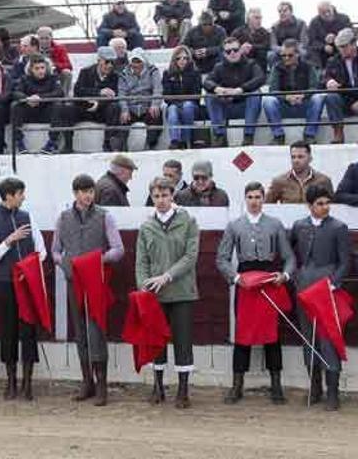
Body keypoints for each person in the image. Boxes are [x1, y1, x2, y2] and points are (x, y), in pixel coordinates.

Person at [216, 181, 294, 405]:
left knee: (272, 334)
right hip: (246, 283)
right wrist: (237, 278)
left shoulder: (275, 224)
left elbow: (289, 258)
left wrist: (285, 276)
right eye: (250, 197)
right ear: (245, 199)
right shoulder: (235, 225)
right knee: (243, 334)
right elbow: (221, 258)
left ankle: (276, 386)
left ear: (263, 199)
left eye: (258, 197)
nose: (254, 201)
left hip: (269, 281)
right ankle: (237, 386)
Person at [52, 175, 124, 406]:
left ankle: (102, 384)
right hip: (75, 282)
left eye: (90, 191)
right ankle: (87, 381)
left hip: (95, 281)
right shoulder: (63, 218)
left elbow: (118, 249)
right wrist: (65, 264)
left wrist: (98, 261)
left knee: (97, 330)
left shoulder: (105, 216)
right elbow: (55, 251)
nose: (87, 195)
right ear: (75, 193)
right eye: (83, 191)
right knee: (80, 331)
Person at [136, 176, 200, 409]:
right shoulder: (146, 225)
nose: (161, 200)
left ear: (172, 195)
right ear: (152, 197)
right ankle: (158, 385)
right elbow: (141, 261)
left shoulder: (188, 220)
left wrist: (167, 276)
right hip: (156, 294)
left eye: (165, 195)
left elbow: (190, 257)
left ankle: (183, 390)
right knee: (157, 341)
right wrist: (143, 285)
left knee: (183, 341)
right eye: (156, 196)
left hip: (182, 291)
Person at [0, 178, 47, 401]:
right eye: (21, 194)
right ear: (9, 195)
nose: (23, 197)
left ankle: (27, 383)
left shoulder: (27, 217)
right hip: (6, 282)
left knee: (28, 330)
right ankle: (11, 381)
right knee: (8, 331)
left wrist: (30, 267)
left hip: (26, 282)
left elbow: (42, 250)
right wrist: (10, 240)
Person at [290, 184, 351, 411]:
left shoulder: (339, 227)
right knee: (309, 339)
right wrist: (293, 273)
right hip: (304, 289)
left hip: (327, 290)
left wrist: (334, 283)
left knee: (328, 338)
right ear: (310, 205)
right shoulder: (299, 226)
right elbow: (288, 252)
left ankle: (332, 393)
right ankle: (315, 388)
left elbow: (345, 261)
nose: (325, 207)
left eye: (328, 203)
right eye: (320, 204)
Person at [203, 36, 266, 147]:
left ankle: (248, 136)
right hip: (225, 106)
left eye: (235, 50)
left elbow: (260, 78)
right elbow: (207, 82)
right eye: (228, 51)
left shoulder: (251, 64)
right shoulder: (218, 67)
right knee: (209, 96)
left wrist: (240, 90)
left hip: (246, 106)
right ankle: (219, 136)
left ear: (240, 50)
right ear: (224, 54)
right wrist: (219, 89)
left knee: (255, 94)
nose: (232, 53)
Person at [261, 39, 325, 144]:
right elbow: (272, 90)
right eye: (283, 55)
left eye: (290, 55)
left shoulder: (308, 66)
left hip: (303, 103)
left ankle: (309, 135)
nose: (286, 58)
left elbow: (314, 87)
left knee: (318, 98)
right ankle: (278, 136)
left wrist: (302, 95)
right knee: (268, 100)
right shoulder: (277, 67)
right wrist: (287, 97)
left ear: (297, 54)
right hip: (285, 105)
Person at [62, 46, 119, 154]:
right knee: (68, 109)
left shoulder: (115, 76)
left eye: (112, 62)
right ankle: (68, 144)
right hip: (85, 107)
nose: (110, 65)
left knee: (115, 107)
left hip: (102, 110)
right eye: (107, 62)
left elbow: (114, 95)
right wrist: (98, 93)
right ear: (99, 61)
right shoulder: (85, 72)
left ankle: (107, 142)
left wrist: (99, 103)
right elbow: (78, 91)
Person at [11, 54, 65, 155]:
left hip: (46, 112)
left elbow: (59, 92)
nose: (40, 71)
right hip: (30, 111)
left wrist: (40, 98)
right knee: (15, 106)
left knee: (58, 105)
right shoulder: (24, 79)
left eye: (42, 68)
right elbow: (16, 92)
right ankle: (19, 142)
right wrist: (27, 99)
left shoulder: (53, 78)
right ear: (31, 69)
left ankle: (52, 143)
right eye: (37, 68)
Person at [113, 48, 162, 151]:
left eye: (138, 61)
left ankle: (150, 145)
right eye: (133, 61)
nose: (135, 65)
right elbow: (121, 93)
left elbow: (157, 89)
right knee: (121, 117)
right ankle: (121, 147)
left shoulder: (153, 71)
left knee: (156, 115)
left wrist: (155, 104)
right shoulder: (123, 74)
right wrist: (125, 110)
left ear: (143, 61)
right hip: (131, 107)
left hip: (147, 105)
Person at [320, 28, 358, 144]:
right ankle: (338, 133)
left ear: (353, 43)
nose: (342, 50)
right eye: (339, 47)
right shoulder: (333, 61)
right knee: (331, 97)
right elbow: (324, 78)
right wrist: (329, 81)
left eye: (344, 46)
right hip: (344, 97)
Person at [266, 140, 333, 204]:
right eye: (293, 157)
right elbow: (266, 206)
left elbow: (333, 207)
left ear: (310, 158)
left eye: (300, 157)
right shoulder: (279, 181)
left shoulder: (323, 181)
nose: (296, 160)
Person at [163, 46, 202, 149]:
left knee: (187, 106)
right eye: (178, 58)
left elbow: (196, 95)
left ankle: (185, 140)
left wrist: (181, 101)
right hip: (174, 105)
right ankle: (175, 141)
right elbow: (167, 97)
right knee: (172, 109)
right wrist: (179, 102)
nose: (182, 61)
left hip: (192, 106)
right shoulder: (167, 74)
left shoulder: (195, 73)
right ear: (174, 59)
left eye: (185, 58)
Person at [307, 1, 351, 68]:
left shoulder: (344, 19)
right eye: (323, 13)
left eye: (328, 11)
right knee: (312, 53)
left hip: (340, 48)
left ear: (332, 9)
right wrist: (323, 47)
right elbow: (311, 41)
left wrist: (337, 38)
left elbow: (350, 34)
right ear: (319, 13)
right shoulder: (314, 22)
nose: (327, 14)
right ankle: (319, 73)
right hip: (322, 52)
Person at [232, 8, 272, 73]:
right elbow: (230, 45)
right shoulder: (238, 32)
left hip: (258, 61)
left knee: (262, 52)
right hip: (242, 60)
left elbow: (267, 45)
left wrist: (251, 47)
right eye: (256, 18)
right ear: (249, 19)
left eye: (260, 18)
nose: (259, 21)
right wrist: (241, 49)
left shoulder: (264, 32)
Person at [37, 26, 73, 93]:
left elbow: (69, 66)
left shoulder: (60, 48)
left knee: (67, 72)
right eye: (41, 38)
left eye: (46, 38)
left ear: (51, 38)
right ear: (38, 39)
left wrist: (53, 64)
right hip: (37, 72)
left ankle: (64, 97)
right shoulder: (34, 48)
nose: (44, 41)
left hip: (55, 73)